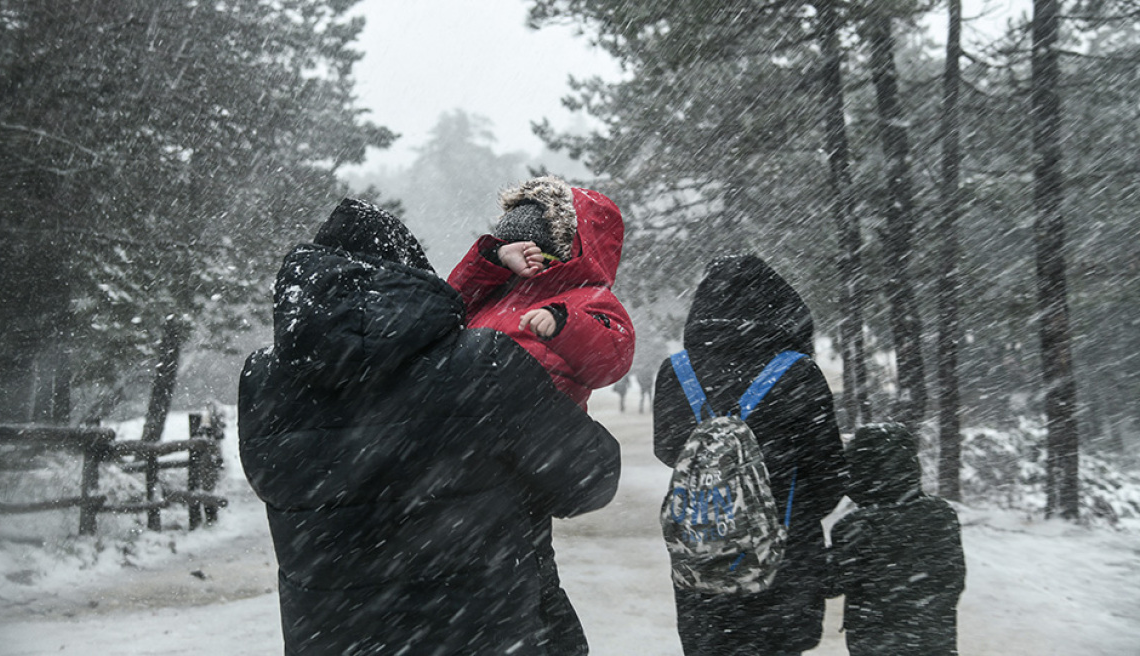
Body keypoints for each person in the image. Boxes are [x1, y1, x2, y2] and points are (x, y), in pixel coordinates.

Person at [238, 198, 622, 656]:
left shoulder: (262, 381)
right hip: (484, 635)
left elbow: (285, 486)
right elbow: (590, 479)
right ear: (413, 273)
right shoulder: (482, 363)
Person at [653, 253, 848, 656]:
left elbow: (669, 450)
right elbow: (829, 475)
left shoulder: (677, 371)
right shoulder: (798, 372)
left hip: (704, 556)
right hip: (783, 558)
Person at [447, 175, 635, 410]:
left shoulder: (589, 298)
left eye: (534, 252)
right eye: (510, 246)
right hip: (467, 419)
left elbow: (613, 358)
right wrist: (496, 258)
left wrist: (563, 323)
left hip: (539, 423)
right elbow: (448, 305)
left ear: (558, 254)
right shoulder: (493, 292)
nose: (519, 265)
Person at [827, 423, 966, 656]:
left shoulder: (859, 526)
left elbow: (829, 583)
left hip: (877, 645)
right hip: (935, 641)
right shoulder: (940, 513)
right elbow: (953, 579)